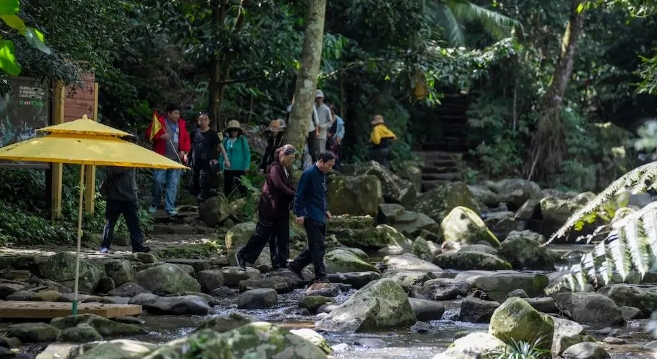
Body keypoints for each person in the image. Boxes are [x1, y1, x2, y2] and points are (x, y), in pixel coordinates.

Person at [235, 145, 297, 270]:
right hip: (270, 208)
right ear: (282, 155)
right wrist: (294, 194)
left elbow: (289, 186)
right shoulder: (275, 167)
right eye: (290, 158)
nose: (292, 161)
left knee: (282, 236)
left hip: (282, 209)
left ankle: (280, 262)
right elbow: (279, 185)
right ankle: (243, 255)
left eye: (293, 158)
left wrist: (297, 194)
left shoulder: (286, 169)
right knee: (262, 236)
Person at [286, 151, 336, 284]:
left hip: (320, 215)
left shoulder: (322, 174)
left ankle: (295, 265)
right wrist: (299, 213)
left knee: (314, 246)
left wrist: (326, 209)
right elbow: (299, 195)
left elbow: (322, 195)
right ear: (321, 161)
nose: (330, 168)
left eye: (332, 165)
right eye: (329, 165)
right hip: (310, 215)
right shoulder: (308, 173)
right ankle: (320, 275)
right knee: (318, 246)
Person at [147, 104, 191, 216]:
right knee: (158, 180)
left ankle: (170, 207)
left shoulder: (181, 124)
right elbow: (149, 135)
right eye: (175, 113)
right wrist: (160, 137)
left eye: (178, 113)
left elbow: (186, 139)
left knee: (173, 183)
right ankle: (154, 203)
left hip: (176, 158)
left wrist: (184, 151)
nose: (177, 116)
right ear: (169, 113)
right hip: (161, 157)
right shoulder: (159, 122)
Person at [99, 166, 150, 254]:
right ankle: (105, 246)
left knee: (133, 224)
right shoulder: (114, 161)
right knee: (110, 223)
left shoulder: (127, 160)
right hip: (115, 197)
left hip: (128, 197)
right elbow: (116, 170)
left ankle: (137, 246)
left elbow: (117, 170)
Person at [189, 112, 220, 202]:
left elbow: (220, 146)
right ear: (198, 121)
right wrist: (187, 155)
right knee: (194, 182)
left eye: (205, 120)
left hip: (207, 163)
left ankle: (204, 201)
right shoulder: (194, 132)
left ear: (209, 121)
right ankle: (197, 201)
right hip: (195, 162)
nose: (203, 122)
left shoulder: (212, 133)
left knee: (204, 181)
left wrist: (225, 159)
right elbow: (189, 146)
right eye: (201, 120)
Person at [219, 120, 251, 197]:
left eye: (235, 130)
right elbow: (222, 154)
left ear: (238, 131)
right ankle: (227, 202)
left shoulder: (242, 140)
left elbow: (247, 153)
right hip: (228, 167)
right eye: (231, 130)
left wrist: (247, 165)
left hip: (240, 167)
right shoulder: (226, 140)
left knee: (241, 186)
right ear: (229, 131)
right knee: (227, 187)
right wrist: (220, 167)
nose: (233, 132)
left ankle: (246, 201)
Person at [314, 90, 332, 159]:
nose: (319, 99)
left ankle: (321, 167)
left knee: (320, 151)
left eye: (320, 98)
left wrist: (322, 126)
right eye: (317, 98)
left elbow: (330, 122)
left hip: (322, 132)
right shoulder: (313, 106)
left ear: (323, 98)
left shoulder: (326, 109)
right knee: (312, 151)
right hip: (312, 131)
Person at [327, 105, 345, 169]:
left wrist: (339, 137)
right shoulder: (326, 119)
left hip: (336, 141)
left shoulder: (339, 120)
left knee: (337, 155)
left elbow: (342, 130)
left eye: (332, 112)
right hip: (327, 141)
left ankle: (337, 167)